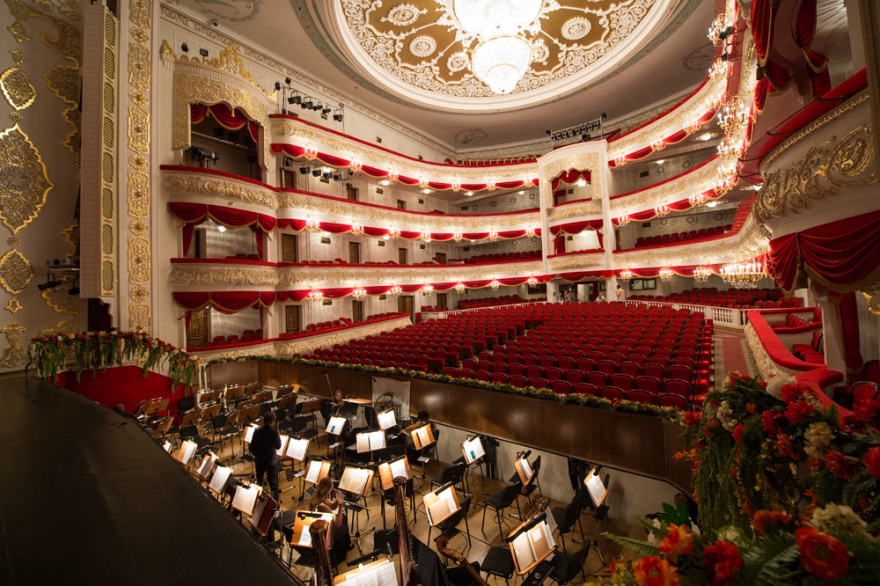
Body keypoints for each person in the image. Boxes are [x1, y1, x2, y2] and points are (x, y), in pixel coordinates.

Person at [310, 477, 353, 557]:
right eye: (332, 486)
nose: (333, 488)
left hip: (321, 525)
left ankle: (348, 544)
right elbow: (338, 523)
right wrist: (341, 504)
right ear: (329, 489)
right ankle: (345, 545)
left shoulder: (320, 496)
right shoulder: (322, 506)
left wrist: (338, 499)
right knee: (343, 522)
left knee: (343, 517)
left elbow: (332, 506)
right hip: (324, 533)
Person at [250, 411, 282, 501]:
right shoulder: (274, 433)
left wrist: (257, 455)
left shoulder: (257, 432)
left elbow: (251, 447)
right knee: (273, 483)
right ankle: (275, 504)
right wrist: (278, 435)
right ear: (273, 421)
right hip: (271, 461)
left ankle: (256, 500)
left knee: (259, 481)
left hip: (259, 460)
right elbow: (278, 446)